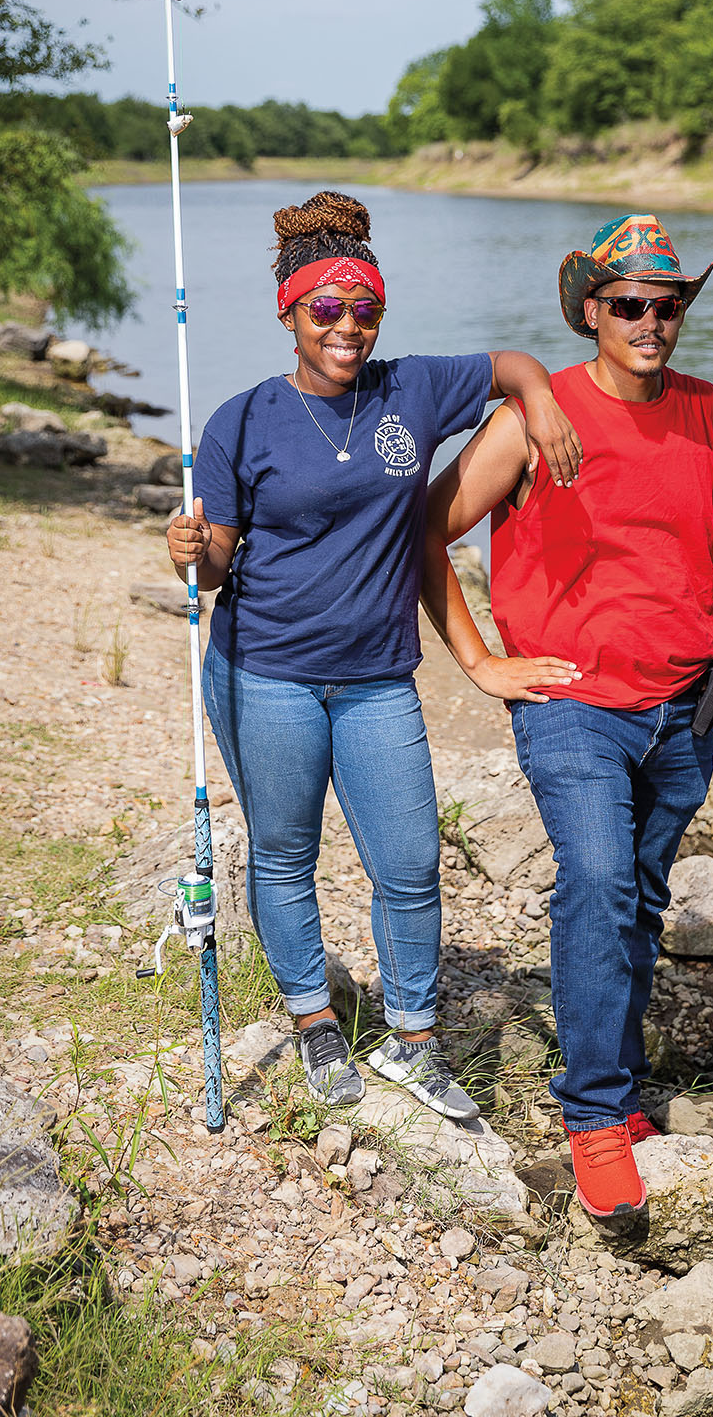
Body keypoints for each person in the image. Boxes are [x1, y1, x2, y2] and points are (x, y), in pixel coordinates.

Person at [166, 190, 581, 1120]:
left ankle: (413, 1044)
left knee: (410, 860)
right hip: (263, 673)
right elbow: (222, 563)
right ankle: (315, 1025)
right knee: (283, 857)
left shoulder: (413, 388)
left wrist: (543, 397)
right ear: (290, 312)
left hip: (380, 679)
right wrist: (190, 551)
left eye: (365, 310)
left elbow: (512, 362)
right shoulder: (240, 421)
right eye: (326, 310)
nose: (347, 327)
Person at [422, 213, 713, 1212]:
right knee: (594, 884)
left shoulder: (710, 410)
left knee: (635, 898)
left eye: (666, 305)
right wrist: (480, 660)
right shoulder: (535, 416)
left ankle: (620, 1090)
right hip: (575, 705)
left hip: (684, 706)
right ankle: (592, 1114)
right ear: (592, 310)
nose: (650, 320)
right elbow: (425, 524)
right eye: (629, 303)